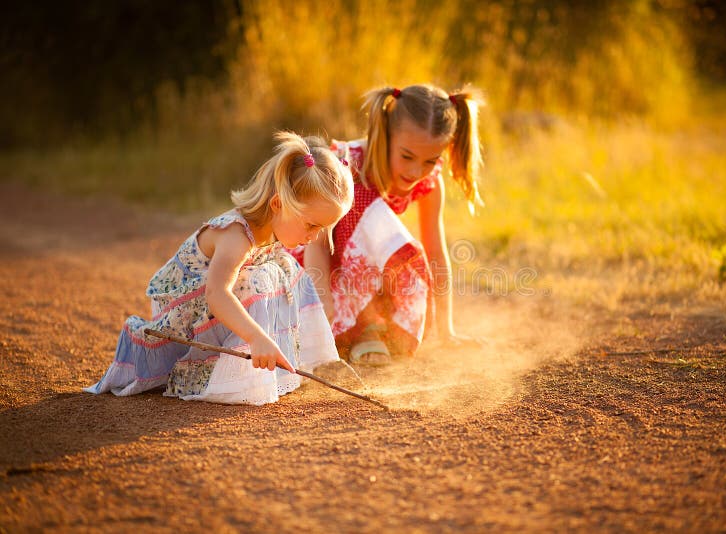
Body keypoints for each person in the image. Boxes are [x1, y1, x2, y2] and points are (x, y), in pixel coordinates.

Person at [85, 132, 354, 405]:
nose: (315, 236)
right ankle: (221, 373)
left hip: (209, 310)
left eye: (323, 228)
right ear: (277, 204)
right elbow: (216, 293)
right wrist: (256, 337)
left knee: (285, 269)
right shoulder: (235, 234)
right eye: (312, 225)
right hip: (180, 319)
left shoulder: (266, 234)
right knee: (263, 277)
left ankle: (305, 358)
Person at [302, 84, 484, 366]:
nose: (416, 171)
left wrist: (447, 331)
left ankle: (379, 324)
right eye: (407, 156)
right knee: (369, 213)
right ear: (384, 133)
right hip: (316, 271)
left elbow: (436, 252)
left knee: (401, 248)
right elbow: (316, 242)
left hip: (358, 276)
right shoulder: (344, 166)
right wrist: (321, 304)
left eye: (430, 160)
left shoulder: (430, 181)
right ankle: (362, 329)